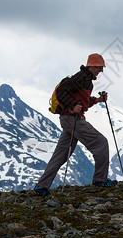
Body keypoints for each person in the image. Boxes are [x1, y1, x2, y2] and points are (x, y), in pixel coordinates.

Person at [34, 53, 117, 196]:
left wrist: (98, 100)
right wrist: (72, 107)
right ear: (91, 66)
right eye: (99, 67)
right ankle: (100, 180)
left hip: (69, 119)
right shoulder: (81, 78)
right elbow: (61, 92)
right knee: (101, 143)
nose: (101, 71)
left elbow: (81, 102)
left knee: (61, 155)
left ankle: (41, 187)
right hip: (73, 119)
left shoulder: (86, 80)